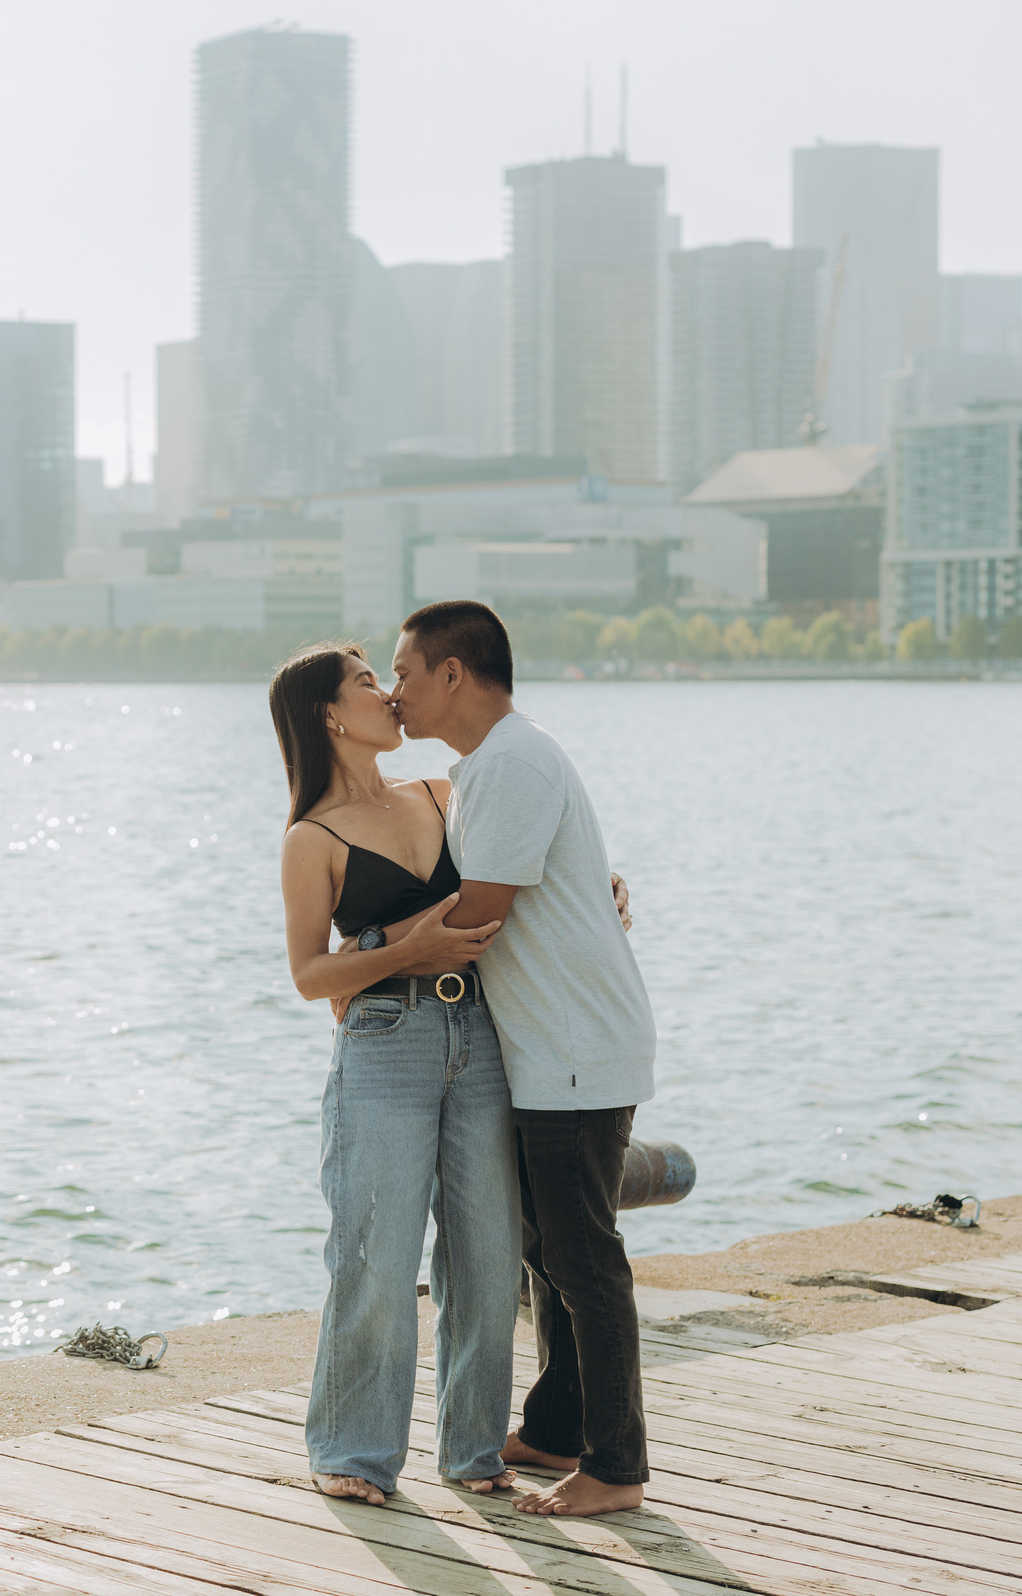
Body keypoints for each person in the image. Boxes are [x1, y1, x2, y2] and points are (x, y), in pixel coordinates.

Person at [388, 599, 657, 1518]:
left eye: (404, 672)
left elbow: (478, 916)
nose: (395, 692)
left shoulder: (509, 762)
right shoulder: (492, 765)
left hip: (576, 1046)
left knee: (583, 1258)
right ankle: (555, 1428)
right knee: (546, 1250)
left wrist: (363, 959)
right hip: (555, 1045)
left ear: (452, 673)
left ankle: (616, 1464)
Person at [268, 642, 519, 1506]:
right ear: (331, 715)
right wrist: (398, 951)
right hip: (385, 1043)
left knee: (488, 1255)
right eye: (369, 682)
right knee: (375, 1257)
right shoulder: (312, 838)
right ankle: (354, 1450)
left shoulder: (445, 794)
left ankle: (475, 1449)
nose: (390, 693)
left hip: (481, 1034)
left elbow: (520, 877)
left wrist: (604, 884)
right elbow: (308, 975)